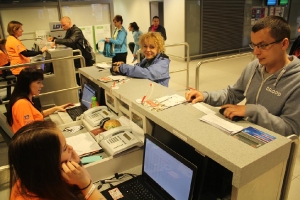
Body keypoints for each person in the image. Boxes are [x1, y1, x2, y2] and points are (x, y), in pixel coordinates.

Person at [185, 16, 300, 137]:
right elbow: (232, 94)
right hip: (247, 132)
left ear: (284, 44)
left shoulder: (296, 80)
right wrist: (205, 96)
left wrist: (254, 111)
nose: (256, 52)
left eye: (263, 45)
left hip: (273, 144)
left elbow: (291, 129)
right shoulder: (254, 67)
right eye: (254, 45)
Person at [9, 120, 106, 200]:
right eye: (64, 148)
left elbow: (85, 181)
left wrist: (78, 164)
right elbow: (87, 183)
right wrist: (85, 184)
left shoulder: (38, 178)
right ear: (47, 162)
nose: (71, 148)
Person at [6, 68, 73, 133]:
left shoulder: (25, 99)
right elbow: (31, 132)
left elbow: (36, 116)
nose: (42, 86)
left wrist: (56, 108)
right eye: (38, 83)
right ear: (27, 84)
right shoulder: (22, 104)